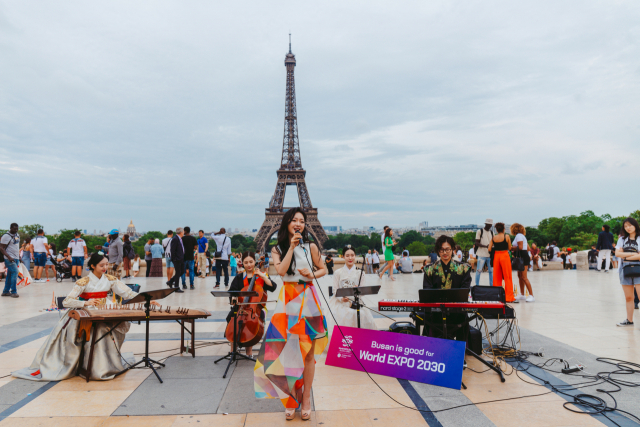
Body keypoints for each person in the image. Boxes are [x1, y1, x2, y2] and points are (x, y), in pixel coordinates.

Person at [12, 253, 160, 381]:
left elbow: (128, 293)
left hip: (105, 310)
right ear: (93, 266)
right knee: (97, 332)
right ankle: (88, 366)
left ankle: (105, 364)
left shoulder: (110, 279)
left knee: (111, 328)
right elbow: (66, 301)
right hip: (86, 311)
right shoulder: (84, 282)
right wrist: (86, 302)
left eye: (106, 265)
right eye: (102, 265)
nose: (105, 268)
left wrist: (146, 298)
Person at [257, 207, 328, 421]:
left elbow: (323, 269)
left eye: (302, 220)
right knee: (287, 352)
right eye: (294, 220)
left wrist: (312, 273)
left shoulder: (312, 246)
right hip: (287, 301)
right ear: (287, 223)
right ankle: (290, 398)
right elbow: (280, 271)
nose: (299, 223)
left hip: (308, 299)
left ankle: (305, 398)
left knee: (307, 354)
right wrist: (292, 248)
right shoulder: (278, 249)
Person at [227, 252, 277, 357]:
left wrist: (263, 276)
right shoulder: (239, 277)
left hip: (256, 309)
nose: (249, 265)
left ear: (255, 262)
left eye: (251, 262)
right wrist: (233, 298)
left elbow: (273, 287)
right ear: (242, 263)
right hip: (240, 308)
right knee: (231, 317)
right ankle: (233, 348)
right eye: (246, 262)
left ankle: (249, 351)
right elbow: (232, 292)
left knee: (251, 322)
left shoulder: (262, 276)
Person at [422, 235, 472, 340]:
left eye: (447, 249)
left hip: (457, 312)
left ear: (453, 250)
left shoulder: (464, 268)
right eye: (442, 250)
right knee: (428, 318)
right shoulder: (429, 269)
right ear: (438, 251)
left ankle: (459, 351)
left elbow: (465, 290)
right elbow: (427, 291)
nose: (445, 252)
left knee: (463, 319)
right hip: (436, 313)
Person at [329, 245, 377, 329]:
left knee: (363, 316)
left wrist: (358, 290)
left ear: (355, 256)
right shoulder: (338, 272)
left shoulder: (360, 273)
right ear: (343, 256)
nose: (350, 258)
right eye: (347, 256)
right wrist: (341, 299)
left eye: (352, 255)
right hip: (341, 303)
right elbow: (335, 290)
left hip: (356, 302)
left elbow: (362, 292)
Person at [614, 217, 640, 327]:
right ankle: (629, 320)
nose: (628, 228)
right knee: (629, 297)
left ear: (635, 225)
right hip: (625, 269)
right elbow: (617, 254)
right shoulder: (622, 239)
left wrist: (625, 254)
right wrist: (633, 255)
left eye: (630, 225)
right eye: (625, 226)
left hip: (638, 269)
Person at [488, 222, 515, 303]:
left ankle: (497, 296)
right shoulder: (506, 236)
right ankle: (509, 297)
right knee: (507, 276)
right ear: (503, 229)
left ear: (496, 230)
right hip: (504, 255)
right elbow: (509, 248)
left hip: (496, 256)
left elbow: (489, 249)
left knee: (496, 277)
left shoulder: (494, 238)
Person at [510, 223, 534, 302]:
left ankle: (531, 295)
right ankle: (522, 294)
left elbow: (520, 247)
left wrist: (510, 248)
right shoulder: (521, 236)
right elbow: (528, 248)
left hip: (522, 257)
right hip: (523, 256)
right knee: (520, 276)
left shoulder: (519, 236)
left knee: (523, 277)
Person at [1, 223, 21, 298]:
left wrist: (19, 256)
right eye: (14, 229)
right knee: (15, 272)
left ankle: (5, 291)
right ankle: (13, 292)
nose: (16, 230)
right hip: (9, 258)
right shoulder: (6, 236)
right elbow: (1, 248)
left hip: (16, 258)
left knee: (10, 275)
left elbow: (16, 246)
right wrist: (8, 257)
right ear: (10, 228)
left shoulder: (17, 235)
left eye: (17, 229)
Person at [474, 219, 494, 287]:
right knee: (479, 270)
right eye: (488, 224)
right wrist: (486, 246)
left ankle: (491, 285)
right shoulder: (480, 231)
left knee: (491, 271)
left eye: (490, 225)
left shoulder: (492, 233)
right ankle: (477, 285)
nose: (489, 226)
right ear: (485, 224)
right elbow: (477, 243)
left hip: (489, 255)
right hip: (481, 254)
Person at [167, 228, 185, 293]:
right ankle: (176, 287)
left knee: (182, 271)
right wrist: (175, 259)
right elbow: (173, 250)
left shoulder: (179, 239)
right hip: (177, 259)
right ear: (180, 232)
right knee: (178, 273)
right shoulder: (175, 239)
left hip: (181, 259)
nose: (183, 233)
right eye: (183, 232)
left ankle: (171, 281)